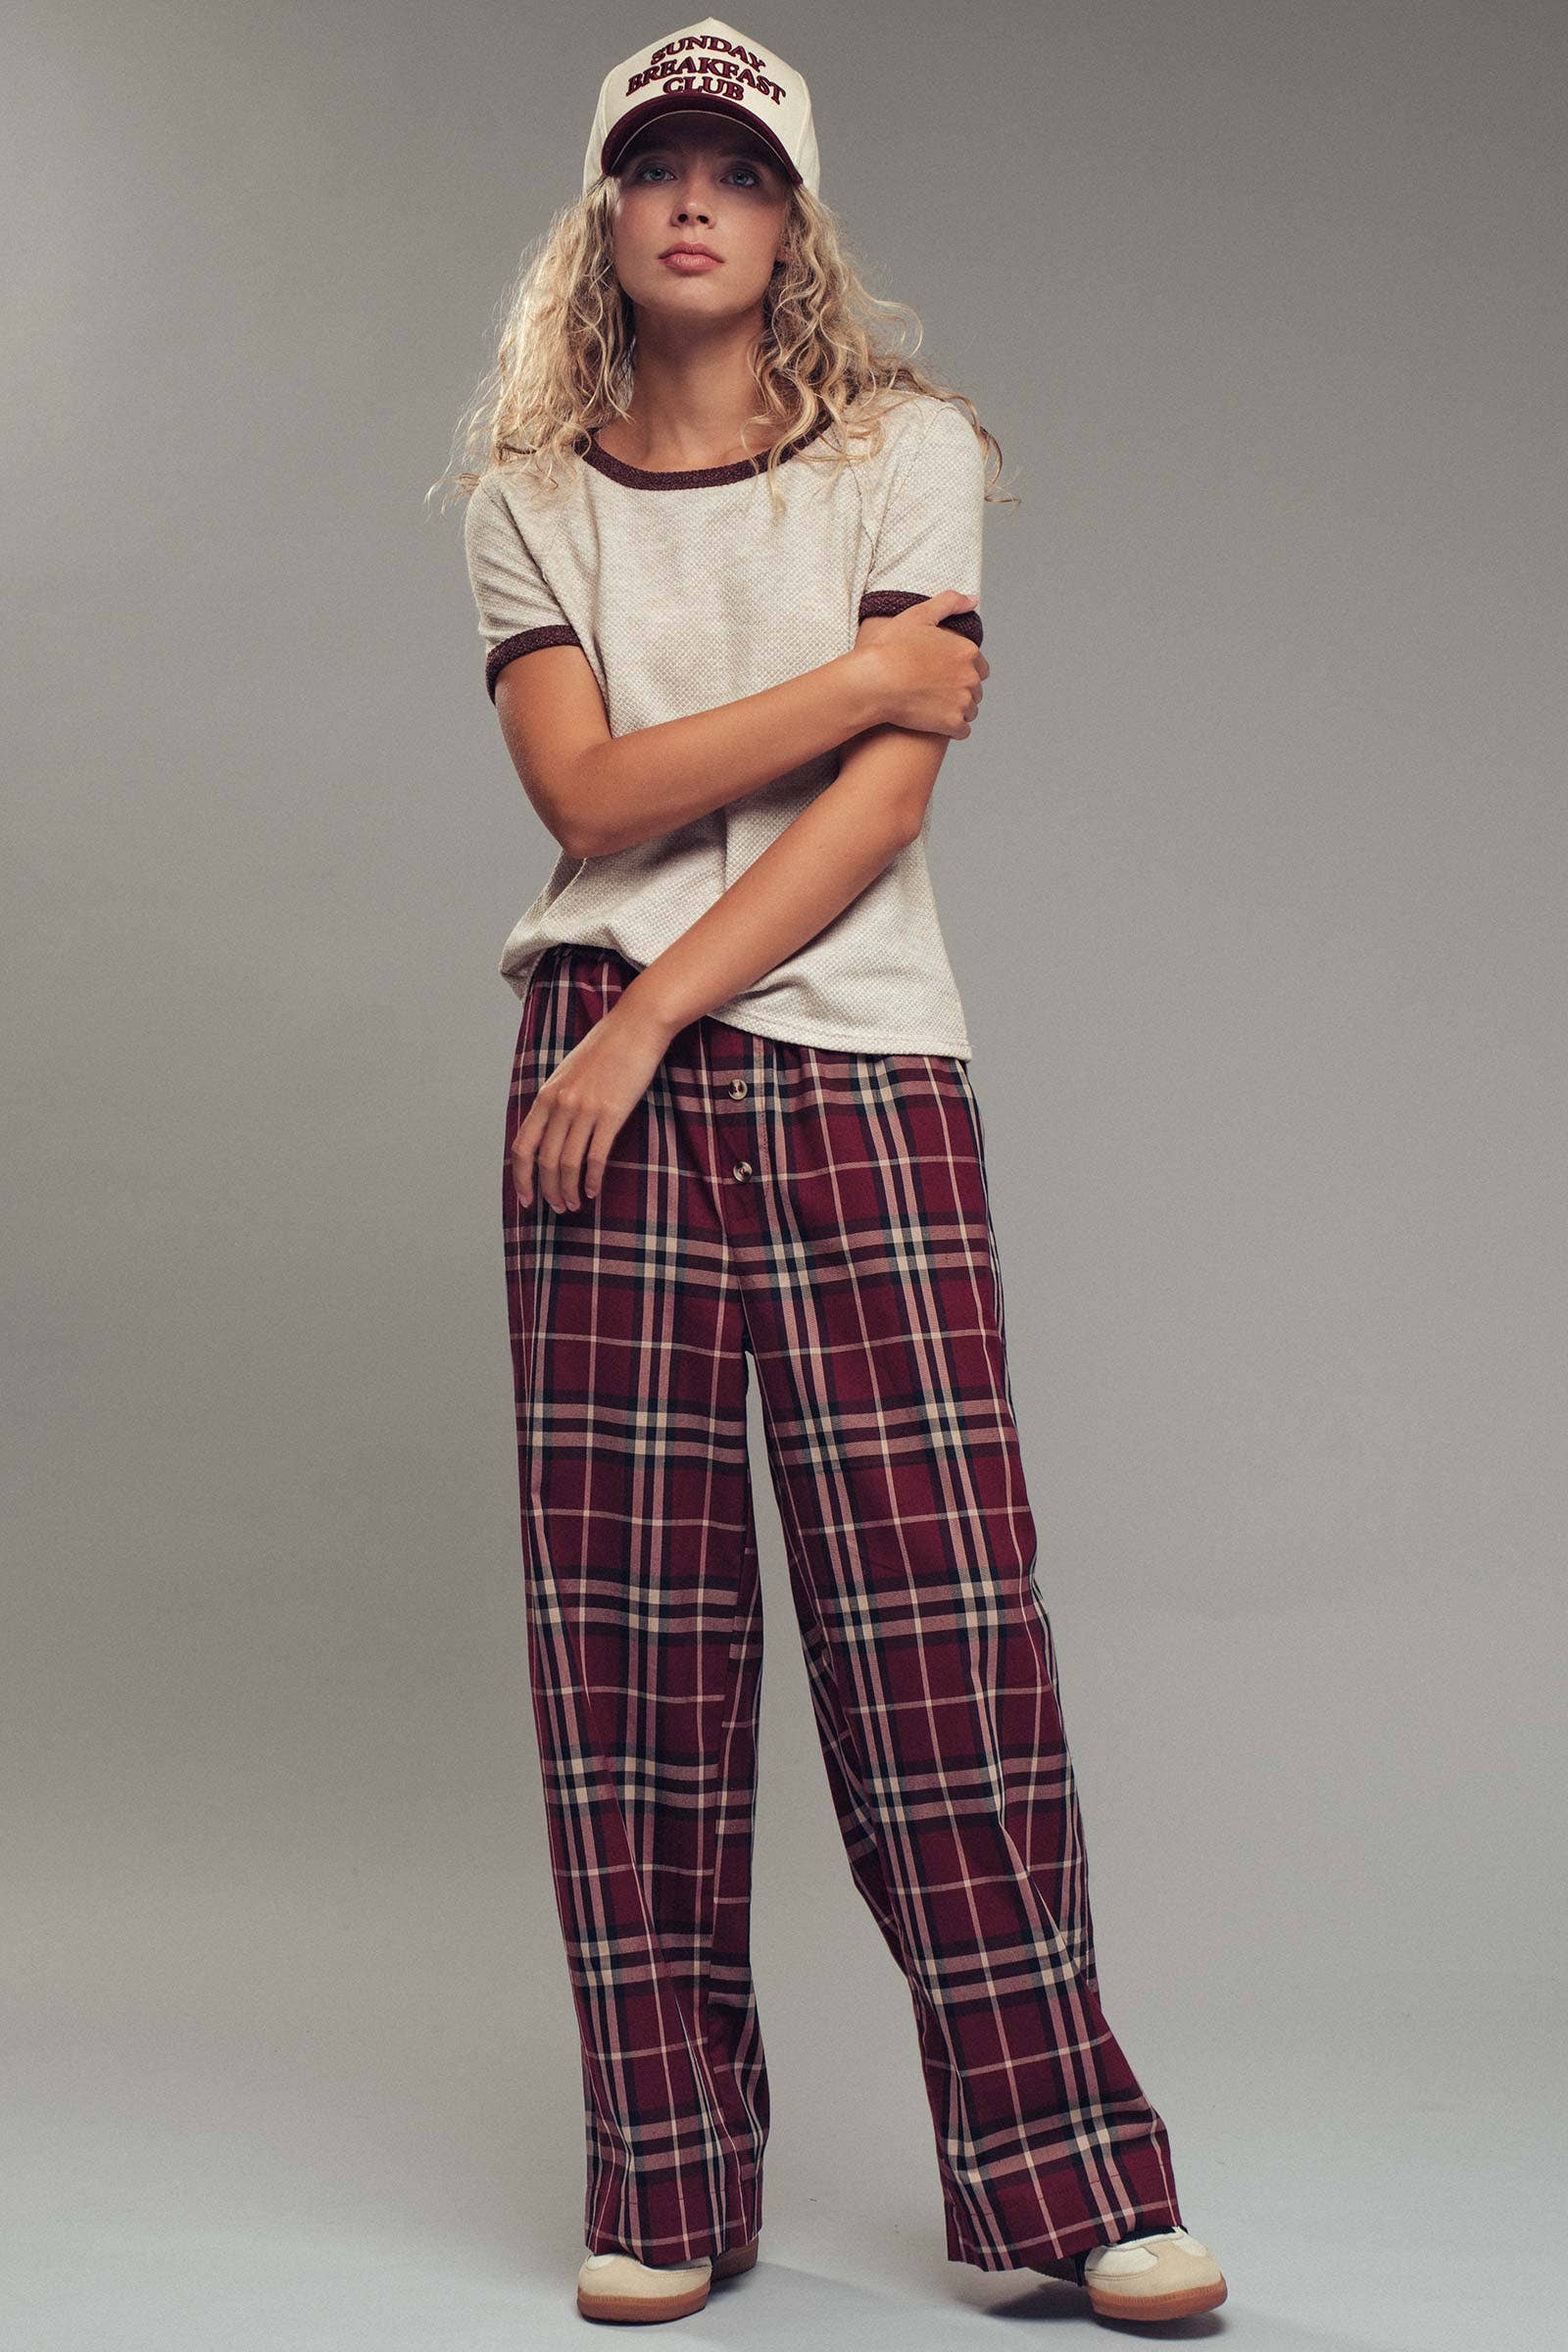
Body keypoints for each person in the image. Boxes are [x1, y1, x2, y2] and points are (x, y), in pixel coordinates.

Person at [446, 16, 1228, 2329]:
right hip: (588, 1089)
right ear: (605, 210)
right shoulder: (529, 497)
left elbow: (884, 809)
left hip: (842, 1065)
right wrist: (862, 683)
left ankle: (1065, 2182)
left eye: (736, 167)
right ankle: (665, 2181)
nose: (692, 196)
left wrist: (659, 1008)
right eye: (653, 163)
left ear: (791, 218)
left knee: (940, 1633)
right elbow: (586, 800)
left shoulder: (906, 451)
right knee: (631, 1650)